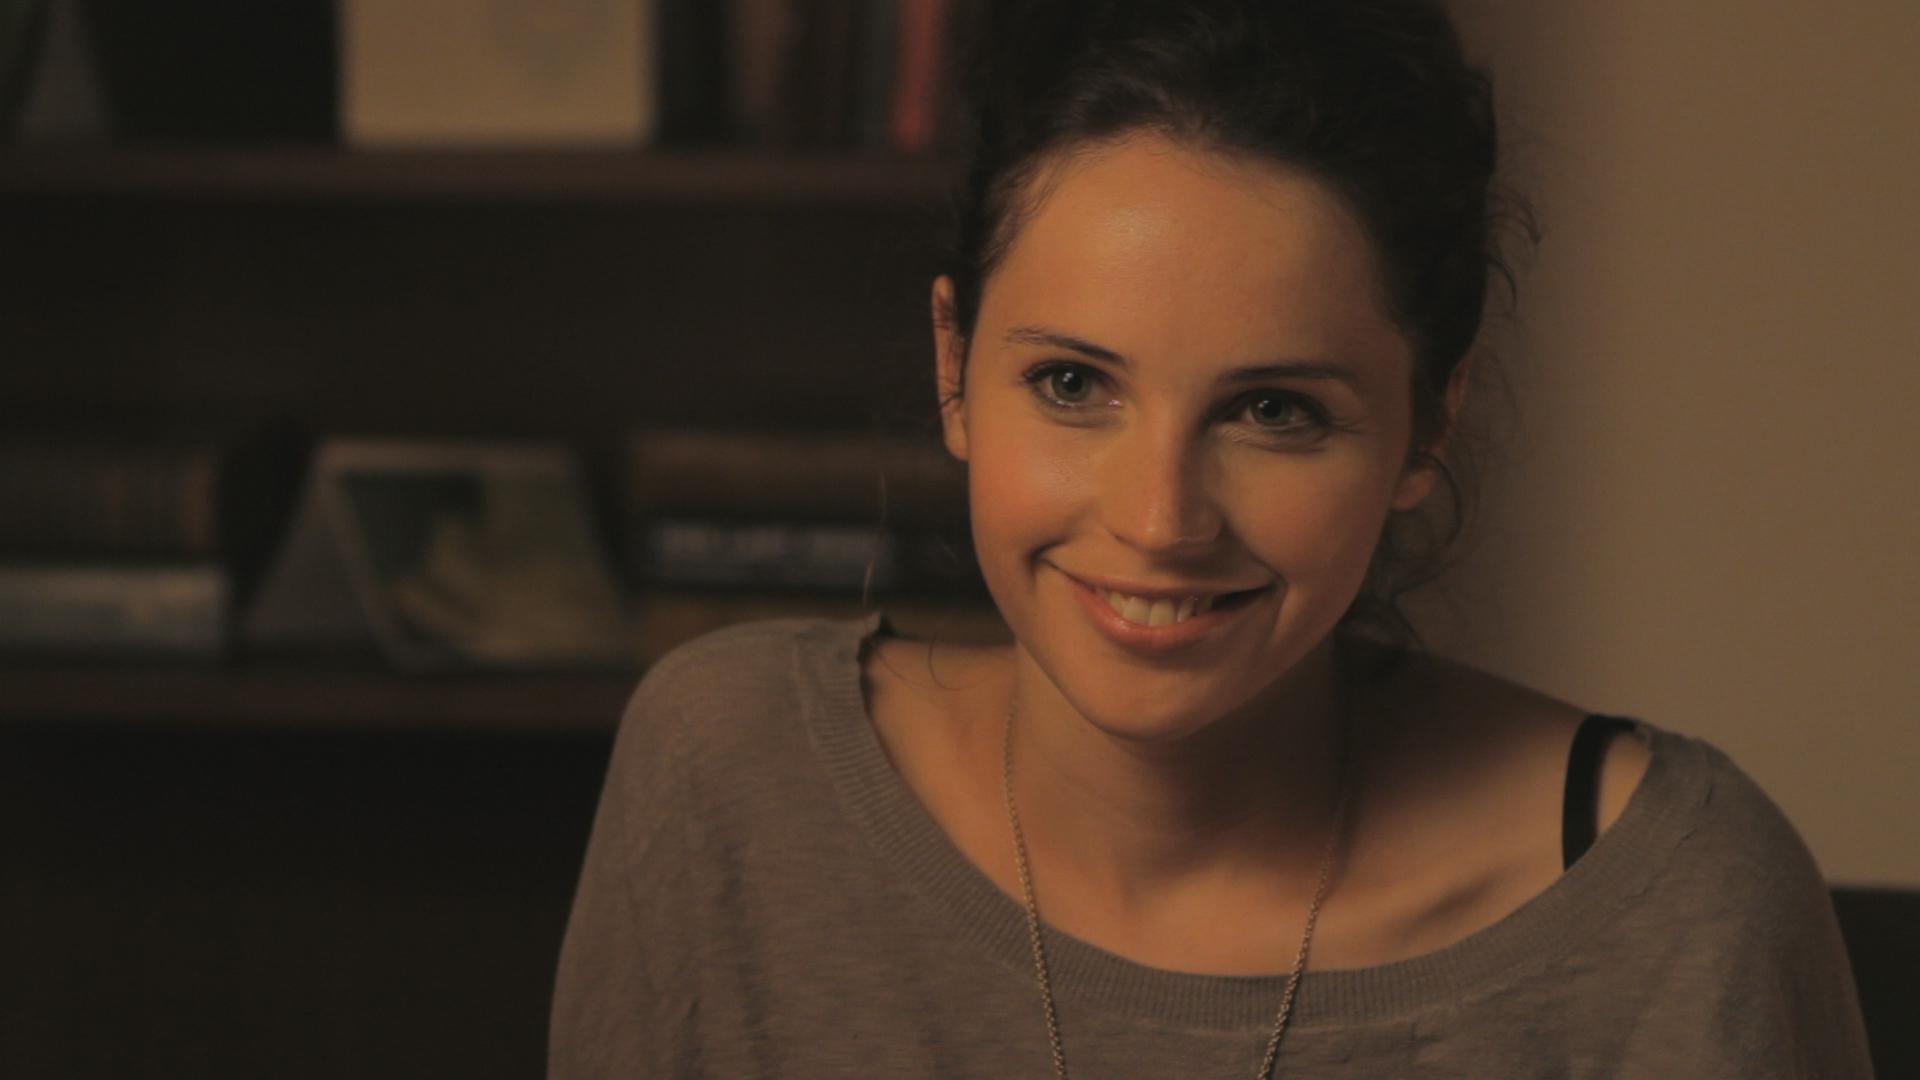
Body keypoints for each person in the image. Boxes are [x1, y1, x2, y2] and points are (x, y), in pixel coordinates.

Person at [550, 2, 1873, 1076]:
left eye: (1273, 411)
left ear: (1428, 424)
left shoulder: (1679, 906)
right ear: (954, 365)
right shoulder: (729, 777)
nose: (1158, 520)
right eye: (1073, 384)